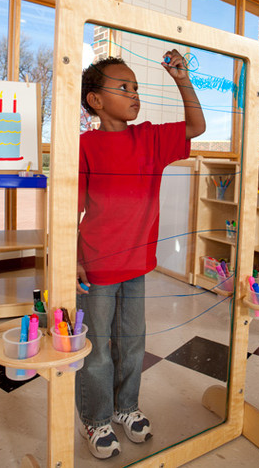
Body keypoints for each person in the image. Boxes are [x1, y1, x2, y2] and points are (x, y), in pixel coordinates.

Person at [76, 49, 205, 459]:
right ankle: (95, 417)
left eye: (137, 88)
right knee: (96, 346)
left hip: (136, 264)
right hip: (95, 264)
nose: (135, 95)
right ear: (95, 100)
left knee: (131, 342)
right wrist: (70, 259)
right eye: (124, 87)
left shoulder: (150, 137)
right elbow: (70, 207)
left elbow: (196, 126)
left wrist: (181, 79)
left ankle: (125, 407)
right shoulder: (84, 145)